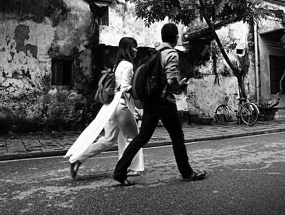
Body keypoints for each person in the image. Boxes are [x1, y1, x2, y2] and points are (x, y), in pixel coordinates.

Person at [113, 23, 206, 186]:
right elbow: (171, 81)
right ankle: (187, 172)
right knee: (177, 137)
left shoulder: (155, 52)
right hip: (164, 102)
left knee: (142, 137)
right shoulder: (171, 54)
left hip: (150, 101)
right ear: (176, 37)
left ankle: (120, 172)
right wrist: (181, 86)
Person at [66, 37, 144, 179]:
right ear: (128, 48)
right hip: (121, 106)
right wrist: (139, 88)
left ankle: (78, 158)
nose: (136, 50)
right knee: (134, 138)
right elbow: (124, 87)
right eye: (134, 47)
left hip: (110, 107)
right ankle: (132, 167)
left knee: (108, 139)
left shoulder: (117, 65)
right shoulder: (128, 65)